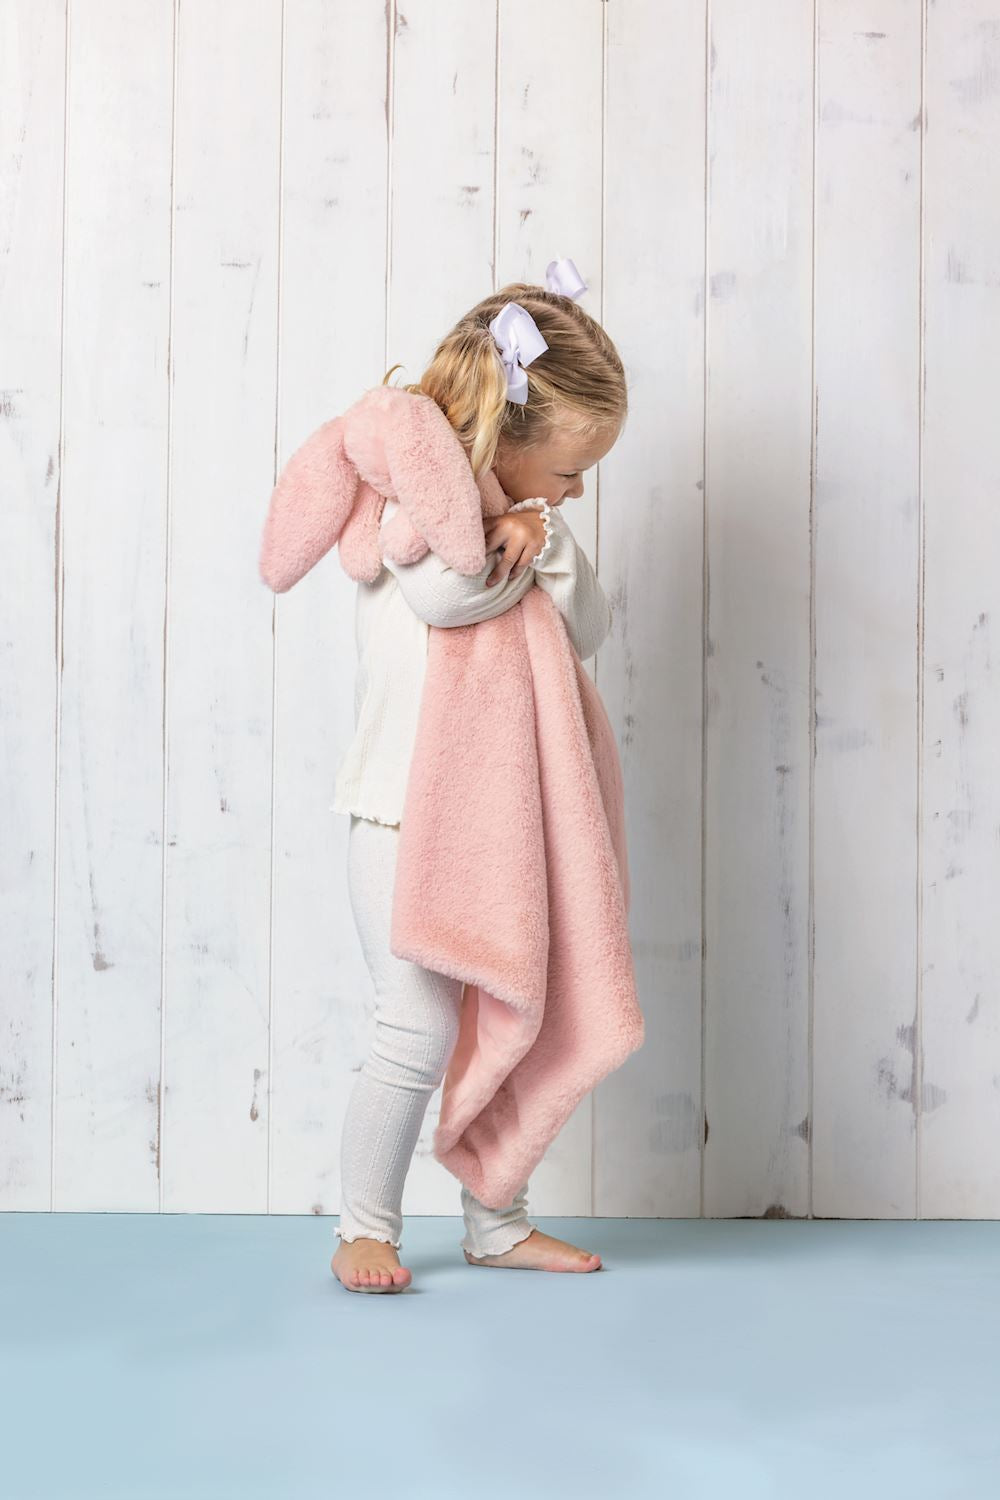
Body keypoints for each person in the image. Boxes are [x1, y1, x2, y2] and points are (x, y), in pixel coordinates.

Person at [329, 263, 628, 1294]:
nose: (576, 488)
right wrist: (518, 537)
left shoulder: (534, 524)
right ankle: (363, 1226)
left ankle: (497, 1221)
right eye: (572, 469)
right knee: (415, 1027)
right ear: (504, 437)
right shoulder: (406, 508)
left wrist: (546, 533)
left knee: (514, 1016)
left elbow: (588, 627)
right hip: (398, 817)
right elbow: (450, 602)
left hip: (496, 819)